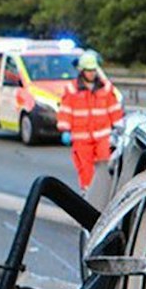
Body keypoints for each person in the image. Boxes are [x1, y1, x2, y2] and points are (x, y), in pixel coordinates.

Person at [56, 51, 124, 192]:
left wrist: (119, 127)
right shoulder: (72, 90)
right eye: (88, 71)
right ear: (82, 71)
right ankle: (88, 194)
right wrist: (65, 130)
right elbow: (66, 111)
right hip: (81, 137)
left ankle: (104, 192)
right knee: (85, 168)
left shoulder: (105, 88)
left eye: (93, 70)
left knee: (106, 165)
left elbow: (114, 109)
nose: (92, 73)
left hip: (102, 136)